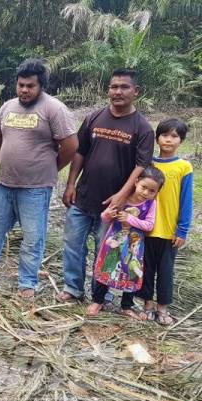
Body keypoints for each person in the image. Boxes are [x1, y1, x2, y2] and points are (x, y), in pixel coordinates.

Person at [0, 58, 78, 299]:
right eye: (20, 85)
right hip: (4, 185)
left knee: (32, 238)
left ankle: (27, 283)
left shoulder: (54, 109)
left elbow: (71, 145)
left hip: (36, 189)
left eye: (30, 86)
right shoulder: (7, 107)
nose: (24, 90)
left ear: (41, 86)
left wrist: (51, 166)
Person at [59, 69, 154, 302]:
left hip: (114, 204)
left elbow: (141, 167)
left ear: (136, 91)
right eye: (114, 87)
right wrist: (71, 183)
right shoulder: (94, 117)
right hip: (83, 196)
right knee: (73, 244)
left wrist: (122, 196)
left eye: (124, 87)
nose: (118, 92)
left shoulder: (142, 128)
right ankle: (73, 288)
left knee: (108, 248)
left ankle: (102, 295)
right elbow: (80, 152)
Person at [87, 167, 165, 319]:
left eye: (152, 191)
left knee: (131, 271)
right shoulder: (122, 199)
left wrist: (130, 219)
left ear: (157, 192)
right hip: (113, 242)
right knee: (107, 267)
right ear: (136, 182)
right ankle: (98, 300)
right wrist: (108, 214)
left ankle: (126, 306)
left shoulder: (151, 205)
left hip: (134, 246)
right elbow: (104, 218)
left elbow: (149, 225)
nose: (146, 193)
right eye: (144, 187)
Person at [138, 119, 194, 325]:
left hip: (169, 230)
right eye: (164, 135)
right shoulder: (148, 164)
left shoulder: (184, 167)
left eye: (174, 136)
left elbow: (186, 200)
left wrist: (182, 230)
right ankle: (147, 304)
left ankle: (163, 308)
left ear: (181, 140)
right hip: (145, 229)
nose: (168, 140)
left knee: (165, 271)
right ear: (157, 138)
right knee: (145, 268)